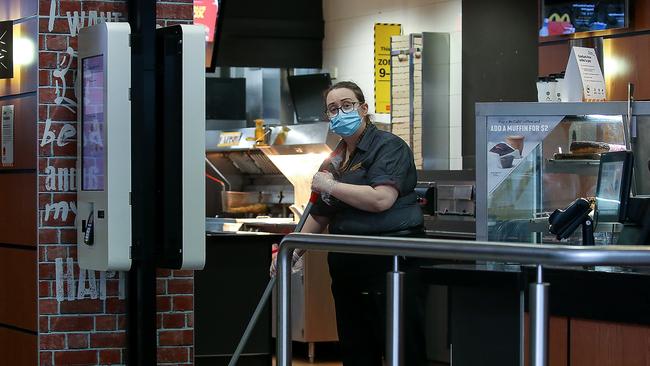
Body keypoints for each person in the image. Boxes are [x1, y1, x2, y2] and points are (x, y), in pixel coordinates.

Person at [271, 81, 426, 366]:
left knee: (401, 348)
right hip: (348, 265)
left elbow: (381, 199)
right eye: (333, 109)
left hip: (389, 263)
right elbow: (320, 215)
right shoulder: (335, 159)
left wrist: (331, 186)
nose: (340, 112)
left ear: (363, 109)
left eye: (347, 105)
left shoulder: (389, 147)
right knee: (356, 347)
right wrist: (291, 250)